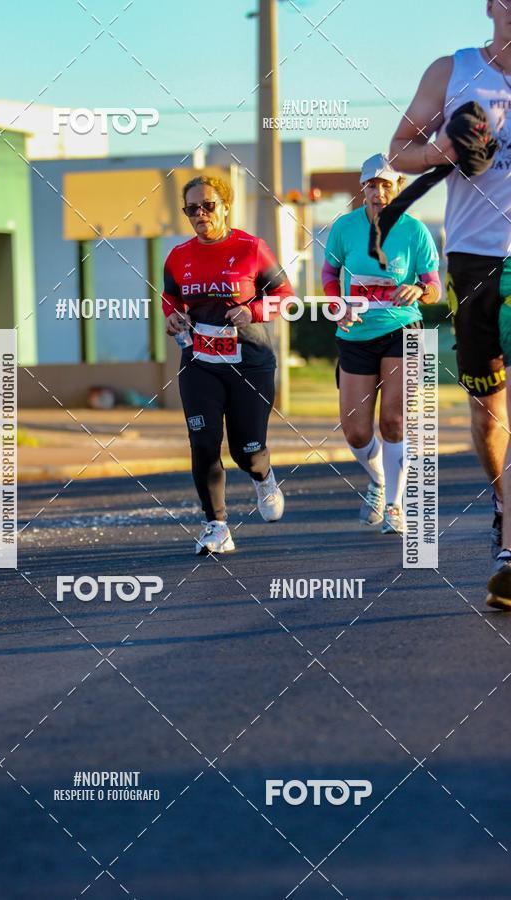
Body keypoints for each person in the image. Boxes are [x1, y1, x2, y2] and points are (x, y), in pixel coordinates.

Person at [389, 0, 511, 580]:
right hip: (472, 262)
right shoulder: (453, 70)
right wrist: (442, 151)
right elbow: (398, 151)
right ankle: (503, 504)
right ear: (491, 5)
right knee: (489, 416)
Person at [162, 174, 294, 554]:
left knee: (246, 450)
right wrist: (172, 318)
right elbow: (171, 300)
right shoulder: (178, 256)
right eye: (192, 209)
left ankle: (263, 476)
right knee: (203, 442)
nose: (200, 214)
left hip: (249, 362)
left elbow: (285, 298)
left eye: (208, 205)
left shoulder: (251, 249)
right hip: (200, 360)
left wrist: (252, 310)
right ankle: (216, 525)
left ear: (225, 206)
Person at [323, 153, 441, 535]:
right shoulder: (344, 227)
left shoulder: (414, 230)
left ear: (399, 189)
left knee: (393, 420)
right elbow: (329, 271)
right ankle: (378, 480)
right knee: (355, 431)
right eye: (372, 185)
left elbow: (435, 287)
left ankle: (394, 504)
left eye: (386, 184)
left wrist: (420, 289)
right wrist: (337, 302)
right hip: (355, 334)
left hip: (402, 330)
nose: (379, 192)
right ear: (363, 190)